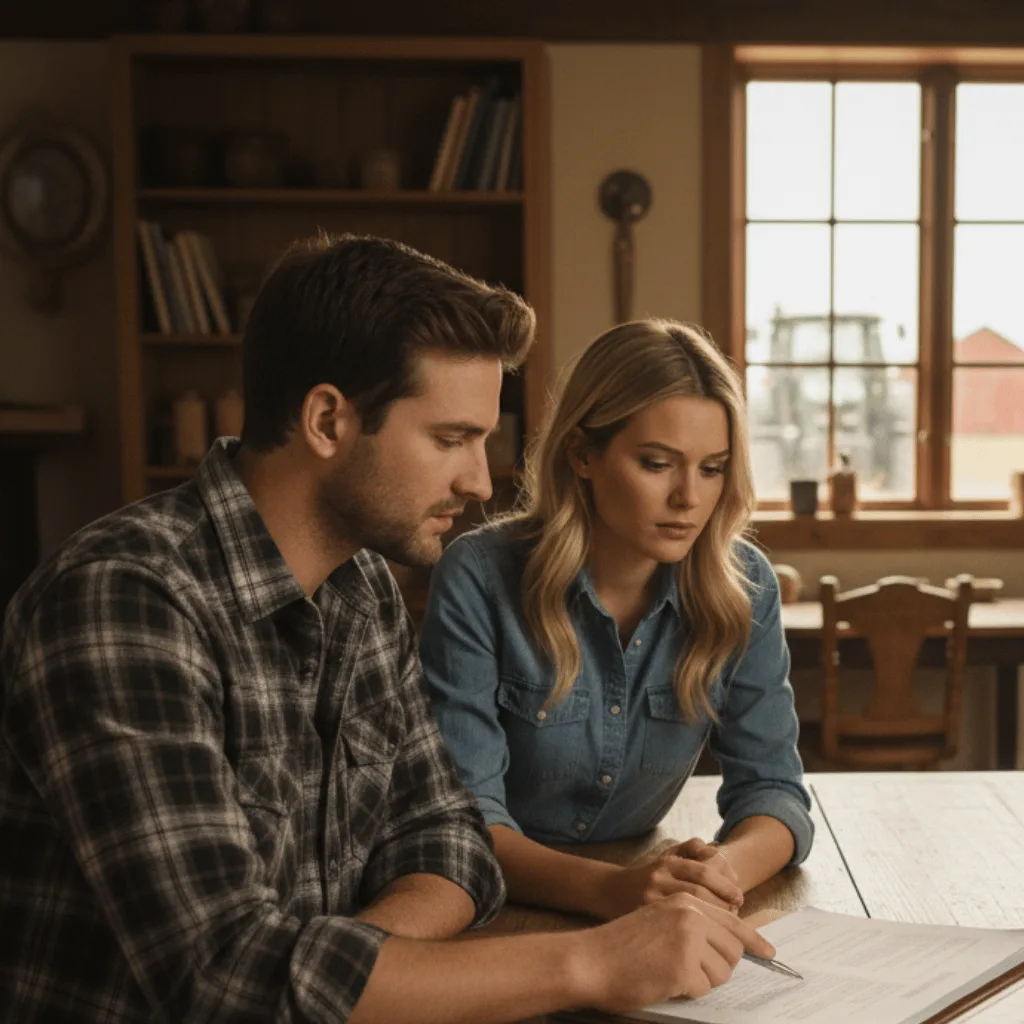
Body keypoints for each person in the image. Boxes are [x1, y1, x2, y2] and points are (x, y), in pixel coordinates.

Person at [0, 238, 775, 1023]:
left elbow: (449, 841)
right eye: (450, 440)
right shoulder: (122, 601)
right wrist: (594, 960)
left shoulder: (361, 589)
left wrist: (332, 974)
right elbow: (224, 975)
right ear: (329, 419)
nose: (479, 482)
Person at [421, 318, 814, 923]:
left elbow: (775, 792)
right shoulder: (478, 576)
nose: (689, 497)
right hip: (491, 899)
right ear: (583, 454)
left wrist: (714, 876)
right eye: (658, 464)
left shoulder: (745, 585)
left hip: (646, 890)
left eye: (712, 468)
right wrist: (616, 892)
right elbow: (467, 820)